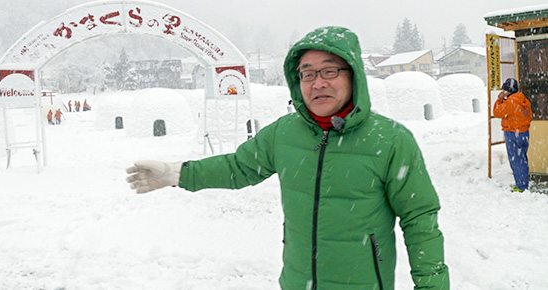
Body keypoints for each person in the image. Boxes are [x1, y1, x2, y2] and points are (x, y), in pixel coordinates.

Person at [126, 26, 449, 290]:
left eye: (330, 71)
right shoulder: (284, 133)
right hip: (296, 281)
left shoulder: (391, 139)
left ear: (353, 77)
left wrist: (431, 286)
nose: (317, 82)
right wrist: (175, 173)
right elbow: (238, 168)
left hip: (362, 282)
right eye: (307, 74)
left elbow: (420, 220)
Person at [493, 78, 533, 192]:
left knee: (516, 160)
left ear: (508, 91)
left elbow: (497, 113)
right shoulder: (523, 99)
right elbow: (529, 115)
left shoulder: (510, 102)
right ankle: (523, 183)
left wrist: (499, 100)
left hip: (512, 133)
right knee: (522, 159)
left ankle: (520, 186)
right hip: (524, 132)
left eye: (504, 90)